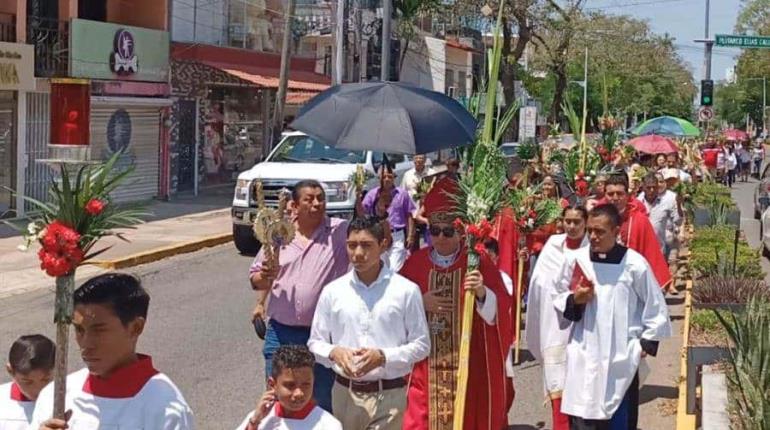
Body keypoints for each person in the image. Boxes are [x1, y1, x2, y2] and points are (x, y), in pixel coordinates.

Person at [399, 177, 513, 430]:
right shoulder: (415, 264)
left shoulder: (477, 261)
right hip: (425, 367)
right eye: (434, 231)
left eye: (447, 231)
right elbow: (393, 306)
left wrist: (483, 292)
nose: (439, 237)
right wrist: (419, 302)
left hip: (468, 364)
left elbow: (503, 308)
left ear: (461, 230)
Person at [551, 204, 672, 430]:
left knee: (619, 419)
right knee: (582, 414)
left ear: (616, 232)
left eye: (600, 232)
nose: (593, 237)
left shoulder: (634, 264)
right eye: (590, 231)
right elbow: (557, 295)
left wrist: (646, 341)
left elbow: (655, 304)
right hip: (584, 352)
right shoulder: (577, 260)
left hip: (621, 356)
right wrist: (575, 299)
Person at [308, 216, 430, 429]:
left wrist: (383, 357)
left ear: (383, 245)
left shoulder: (405, 291)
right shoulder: (333, 292)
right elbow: (315, 342)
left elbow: (422, 345)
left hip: (389, 396)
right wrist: (335, 352)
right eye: (352, 245)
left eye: (366, 245)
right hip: (344, 395)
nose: (357, 253)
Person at [31, 273, 194, 429]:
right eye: (79, 330)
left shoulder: (163, 407)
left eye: (99, 330)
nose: (86, 343)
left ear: (135, 328)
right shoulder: (57, 395)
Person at [249, 179, 350, 412]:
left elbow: (372, 237)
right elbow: (255, 279)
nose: (317, 203)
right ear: (294, 205)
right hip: (280, 333)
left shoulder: (340, 231)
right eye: (309, 199)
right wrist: (265, 277)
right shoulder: (278, 234)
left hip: (322, 335)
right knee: (277, 398)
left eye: (321, 198)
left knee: (320, 399)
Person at [525, 205, 589, 430]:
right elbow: (539, 284)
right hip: (554, 324)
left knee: (582, 387)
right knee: (557, 381)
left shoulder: (593, 248)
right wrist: (558, 295)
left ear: (586, 223)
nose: (571, 226)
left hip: (584, 325)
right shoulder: (553, 246)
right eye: (568, 221)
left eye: (577, 222)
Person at [236, 345, 342, 430]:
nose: (299, 393)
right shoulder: (259, 418)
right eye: (290, 385)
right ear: (272, 385)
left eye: (306, 385)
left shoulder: (328, 425)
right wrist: (255, 422)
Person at [604, 174, 671, 290]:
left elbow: (651, 253)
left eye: (619, 194)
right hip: (604, 280)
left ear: (627, 196)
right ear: (605, 195)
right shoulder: (597, 219)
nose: (615, 198)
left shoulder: (640, 220)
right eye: (610, 194)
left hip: (632, 282)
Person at [361, 164, 417, 271]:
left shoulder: (402, 194)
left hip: (397, 236)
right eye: (384, 177)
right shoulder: (372, 194)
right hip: (379, 235)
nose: (387, 179)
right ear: (379, 179)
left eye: (389, 176)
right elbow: (363, 213)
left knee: (394, 270)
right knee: (380, 269)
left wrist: (410, 235)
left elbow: (409, 215)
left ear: (394, 177)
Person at [0, 335, 54, 430]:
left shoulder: (72, 399)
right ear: (10, 371)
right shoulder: (2, 403)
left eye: (46, 379)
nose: (38, 389)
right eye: (27, 381)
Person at [637, 172, 681, 259]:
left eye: (654, 187)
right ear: (643, 188)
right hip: (640, 253)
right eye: (648, 188)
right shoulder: (637, 203)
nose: (652, 190)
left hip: (659, 252)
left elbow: (678, 221)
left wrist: (679, 205)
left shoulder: (666, 203)